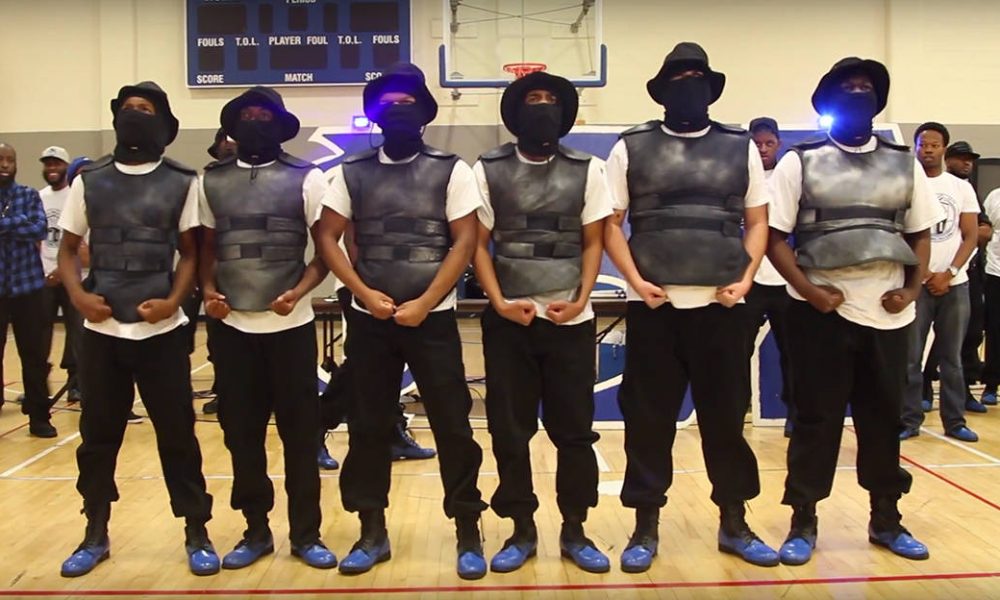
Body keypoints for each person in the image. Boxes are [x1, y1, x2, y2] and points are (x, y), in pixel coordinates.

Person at [603, 42, 777, 572]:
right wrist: (635, 281)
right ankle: (645, 525)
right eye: (678, 77)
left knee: (725, 421)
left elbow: (758, 222)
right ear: (662, 90)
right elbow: (610, 223)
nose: (688, 84)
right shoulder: (631, 146)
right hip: (655, 309)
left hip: (722, 308)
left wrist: (745, 278)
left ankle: (734, 522)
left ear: (711, 87)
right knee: (648, 422)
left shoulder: (739, 146)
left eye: (697, 76)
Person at [316, 62, 488, 579]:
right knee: (367, 426)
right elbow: (327, 237)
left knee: (453, 425)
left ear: (425, 112)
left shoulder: (452, 170)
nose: (398, 109)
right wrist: (364, 293)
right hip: (371, 319)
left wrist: (427, 301)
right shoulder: (350, 171)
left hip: (432, 320)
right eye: (389, 102)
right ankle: (371, 530)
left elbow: (465, 241)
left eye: (408, 101)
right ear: (375, 113)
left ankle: (467, 528)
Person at [767, 58, 936, 566]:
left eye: (867, 87)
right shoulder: (800, 161)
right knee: (815, 419)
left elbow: (920, 234)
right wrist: (808, 290)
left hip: (888, 312)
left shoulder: (903, 162)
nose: (858, 92)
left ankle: (886, 518)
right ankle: (803, 520)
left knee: (883, 420)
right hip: (819, 311)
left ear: (878, 100)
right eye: (849, 86)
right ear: (828, 100)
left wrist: (912, 290)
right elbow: (774, 238)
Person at [56, 81, 218, 577]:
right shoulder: (90, 180)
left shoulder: (182, 181)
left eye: (144, 108)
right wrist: (79, 297)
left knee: (178, 435)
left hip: (161, 331)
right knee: (97, 437)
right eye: (127, 107)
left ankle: (196, 529)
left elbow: (191, 253)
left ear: (162, 122)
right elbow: (68, 250)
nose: (133, 114)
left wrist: (172, 301)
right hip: (103, 332)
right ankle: (95, 530)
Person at [471, 71, 612, 574]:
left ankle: (575, 529)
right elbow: (477, 244)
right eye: (534, 97)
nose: (543, 105)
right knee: (510, 432)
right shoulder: (488, 168)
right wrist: (499, 301)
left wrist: (581, 299)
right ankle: (521, 529)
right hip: (510, 322)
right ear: (516, 110)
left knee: (574, 433)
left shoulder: (589, 169)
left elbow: (594, 241)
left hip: (570, 321)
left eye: (552, 99)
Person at [199, 86, 336, 570]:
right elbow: (205, 250)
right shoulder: (210, 180)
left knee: (300, 436)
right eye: (247, 115)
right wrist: (208, 291)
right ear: (233, 125)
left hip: (290, 327)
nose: (255, 121)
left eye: (264, 115)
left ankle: (306, 533)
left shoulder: (307, 177)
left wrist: (299, 292)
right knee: (242, 435)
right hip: (232, 329)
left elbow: (326, 251)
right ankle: (255, 530)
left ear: (279, 125)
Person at [900, 122, 979, 442]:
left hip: (954, 285)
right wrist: (923, 274)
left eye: (934, 145)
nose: (928, 150)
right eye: (923, 144)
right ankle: (909, 420)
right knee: (911, 357)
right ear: (915, 147)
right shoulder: (906, 184)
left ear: (944, 148)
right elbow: (900, 233)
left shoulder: (960, 188)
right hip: (917, 285)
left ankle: (955, 421)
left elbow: (971, 235)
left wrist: (950, 272)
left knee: (952, 358)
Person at [0, 142, 56, 437]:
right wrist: (18, 222)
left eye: (10, 159)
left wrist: (4, 224)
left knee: (34, 356)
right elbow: (27, 226)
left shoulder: (28, 194)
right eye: (0, 159)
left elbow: (39, 229)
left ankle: (39, 416)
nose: (4, 164)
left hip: (28, 287)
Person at [745, 117, 796, 437]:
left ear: (779, 144)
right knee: (738, 350)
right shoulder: (741, 176)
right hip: (749, 278)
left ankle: (795, 413)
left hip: (786, 279)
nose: (763, 149)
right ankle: (737, 408)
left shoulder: (789, 175)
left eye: (769, 143)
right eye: (757, 143)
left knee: (792, 352)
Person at [37, 146, 84, 404]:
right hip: (43, 277)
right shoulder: (39, 197)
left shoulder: (74, 195)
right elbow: (36, 238)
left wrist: (61, 269)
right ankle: (37, 385)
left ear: (67, 167)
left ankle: (76, 384)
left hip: (71, 275)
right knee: (39, 333)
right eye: (48, 164)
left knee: (76, 331)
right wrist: (42, 269)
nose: (52, 168)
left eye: (57, 163)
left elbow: (77, 241)